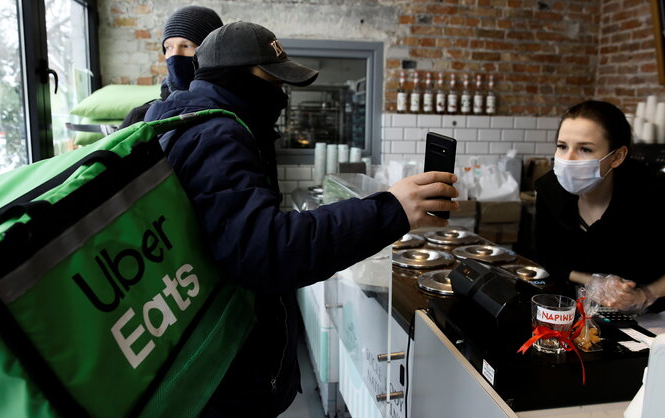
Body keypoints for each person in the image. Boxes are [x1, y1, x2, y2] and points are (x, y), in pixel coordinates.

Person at [144, 21, 458, 417]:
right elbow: (266, 250)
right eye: (272, 80)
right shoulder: (215, 133)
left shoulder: (188, 119)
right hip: (221, 381)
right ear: (235, 77)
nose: (280, 93)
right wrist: (391, 209)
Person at [534, 100, 665, 323]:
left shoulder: (653, 196)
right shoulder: (550, 190)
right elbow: (547, 254)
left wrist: (645, 294)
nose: (568, 159)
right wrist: (594, 282)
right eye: (562, 146)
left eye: (585, 149)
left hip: (656, 319)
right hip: (585, 313)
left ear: (617, 156)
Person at [119, 5, 223, 129]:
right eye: (168, 47)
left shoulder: (230, 110)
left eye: (186, 46)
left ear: (210, 51)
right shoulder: (142, 117)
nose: (175, 55)